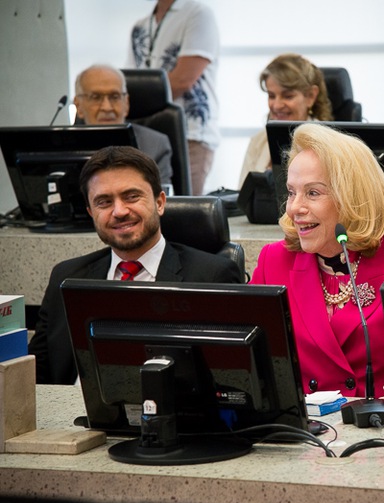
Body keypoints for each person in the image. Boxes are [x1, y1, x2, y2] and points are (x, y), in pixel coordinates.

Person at [249, 123, 384, 398]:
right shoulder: (274, 261)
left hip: (382, 430)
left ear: (352, 199)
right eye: (292, 192)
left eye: (312, 193)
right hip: (305, 429)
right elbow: (252, 361)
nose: (294, 208)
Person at [28, 146, 242, 385]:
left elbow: (230, 380)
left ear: (160, 202)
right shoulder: (66, 277)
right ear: (90, 212)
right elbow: (35, 375)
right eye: (104, 202)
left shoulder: (211, 276)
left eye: (131, 196)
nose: (119, 211)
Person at [128, 0, 220, 196]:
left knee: (185, 213)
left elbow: (183, 80)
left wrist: (136, 98)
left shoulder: (198, 14)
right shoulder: (141, 25)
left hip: (191, 134)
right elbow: (128, 82)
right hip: (145, 134)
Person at [238, 53, 333, 188]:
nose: (276, 105)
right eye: (271, 96)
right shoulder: (258, 141)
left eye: (287, 96)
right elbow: (241, 199)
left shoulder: (329, 144)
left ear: (311, 96)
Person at [74, 64, 174, 191]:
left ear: (126, 103)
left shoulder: (155, 145)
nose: (107, 107)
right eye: (96, 97)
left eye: (114, 97)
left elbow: (161, 201)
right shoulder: (60, 146)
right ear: (78, 106)